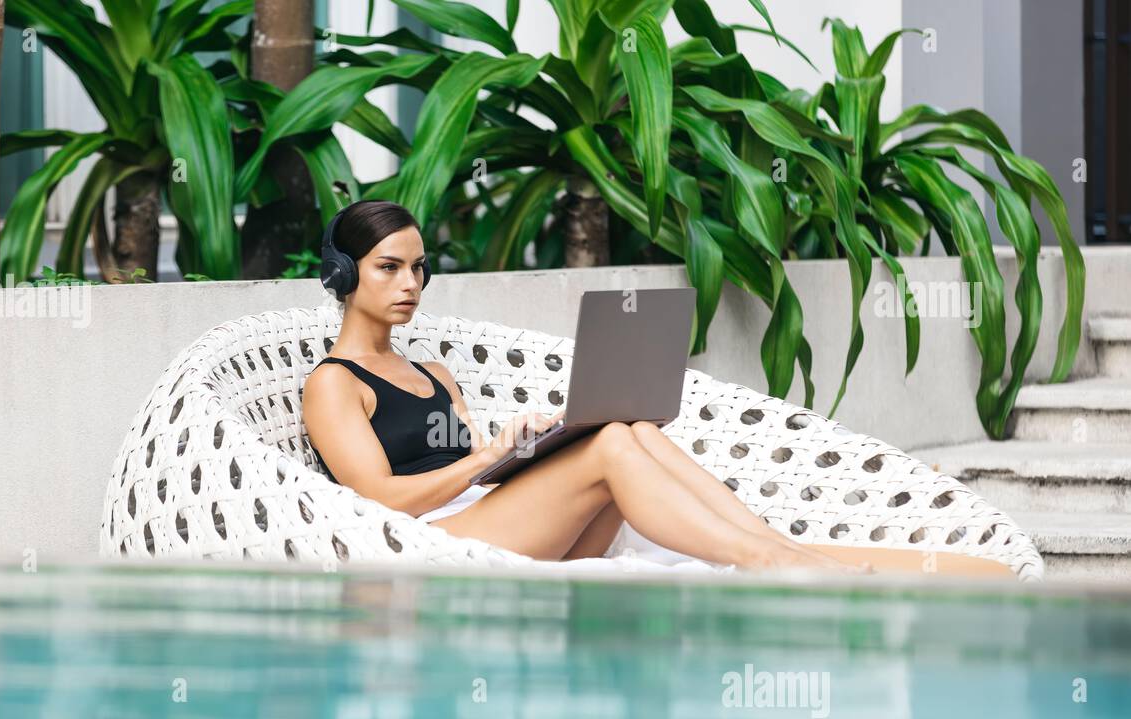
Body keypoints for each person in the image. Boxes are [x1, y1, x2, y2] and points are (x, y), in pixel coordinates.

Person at [300, 200, 1013, 577]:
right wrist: (484, 455)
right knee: (611, 443)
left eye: (420, 268)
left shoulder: (435, 374)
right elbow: (380, 500)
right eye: (389, 267)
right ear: (343, 275)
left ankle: (777, 547)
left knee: (628, 426)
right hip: (429, 542)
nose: (410, 285)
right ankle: (771, 560)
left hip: (494, 514)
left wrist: (528, 446)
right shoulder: (334, 386)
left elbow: (475, 473)